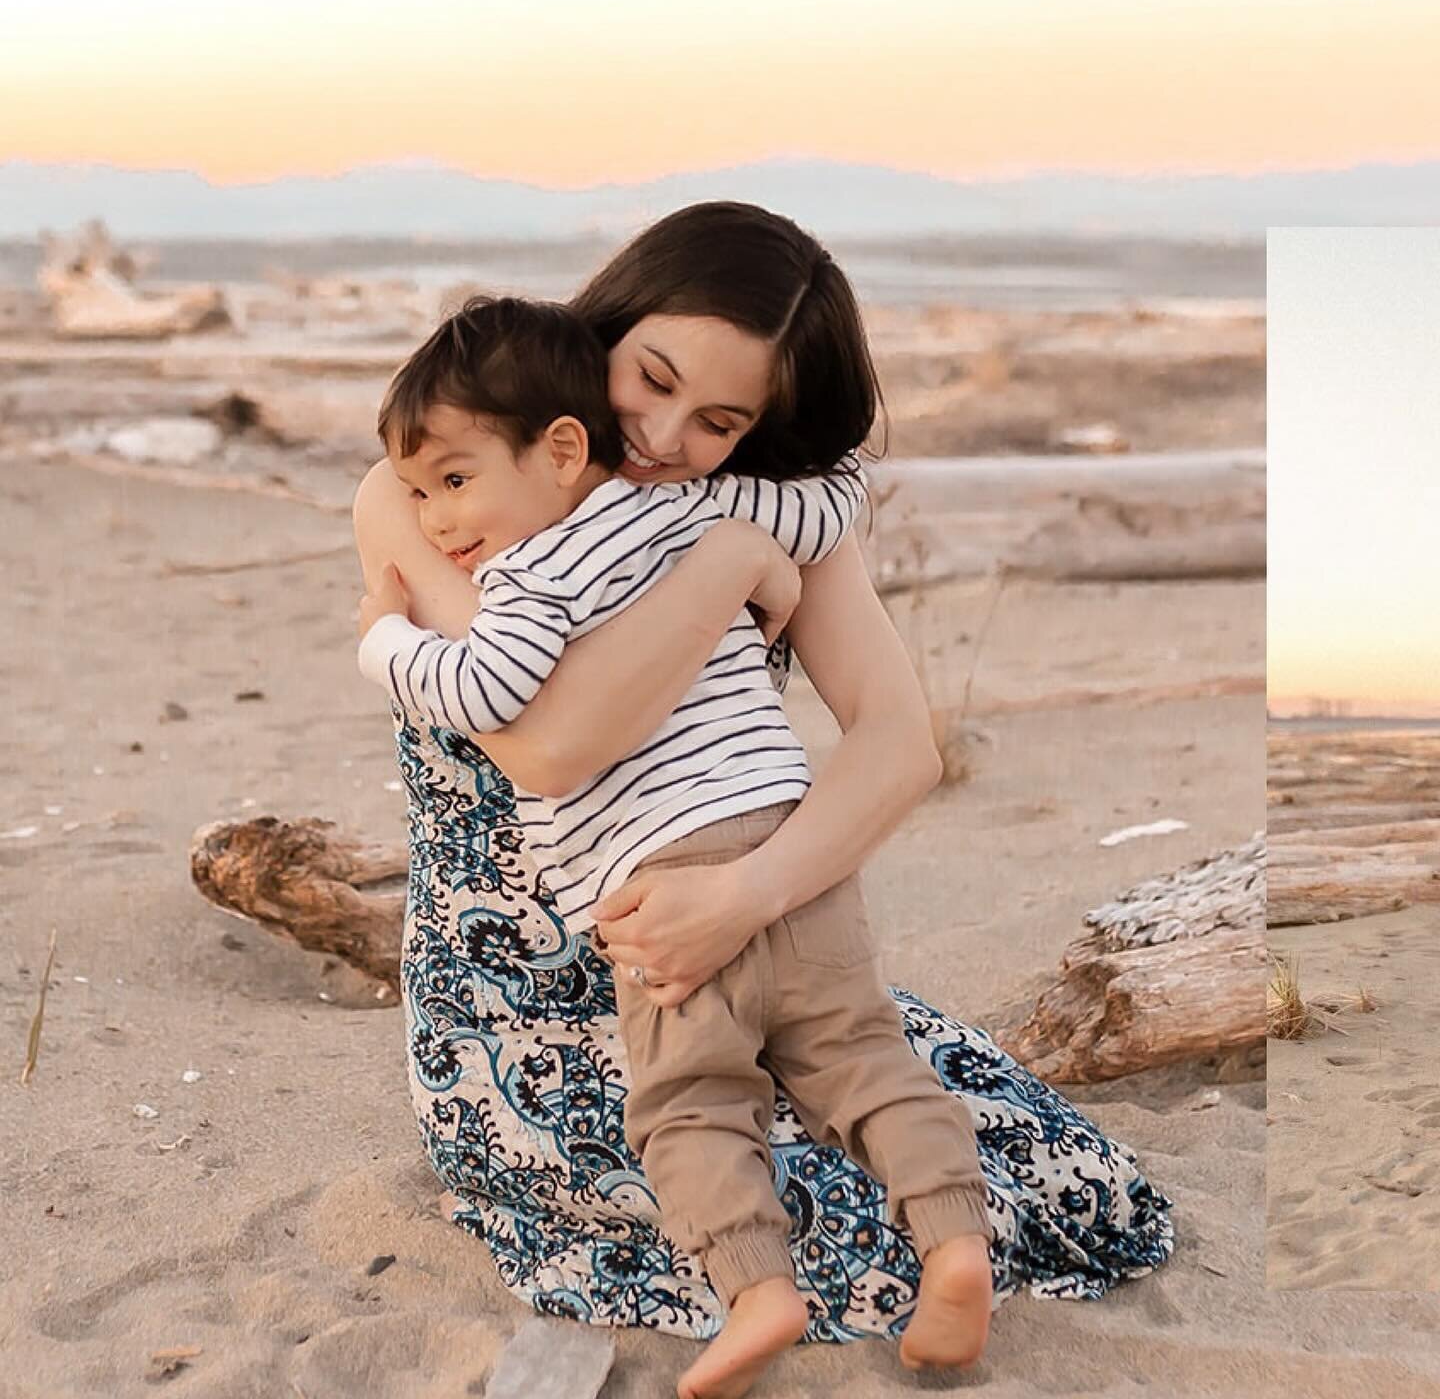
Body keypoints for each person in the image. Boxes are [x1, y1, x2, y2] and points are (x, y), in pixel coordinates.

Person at [351, 202, 1173, 1386]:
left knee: (1068, 1190)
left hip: (754, 937)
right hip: (533, 1007)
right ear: (612, 320)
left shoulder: (744, 495)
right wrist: (728, 571)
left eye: (722, 419)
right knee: (817, 1227)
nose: (667, 435)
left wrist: (743, 895)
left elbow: (900, 744)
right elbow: (548, 746)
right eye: (653, 378)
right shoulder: (439, 484)